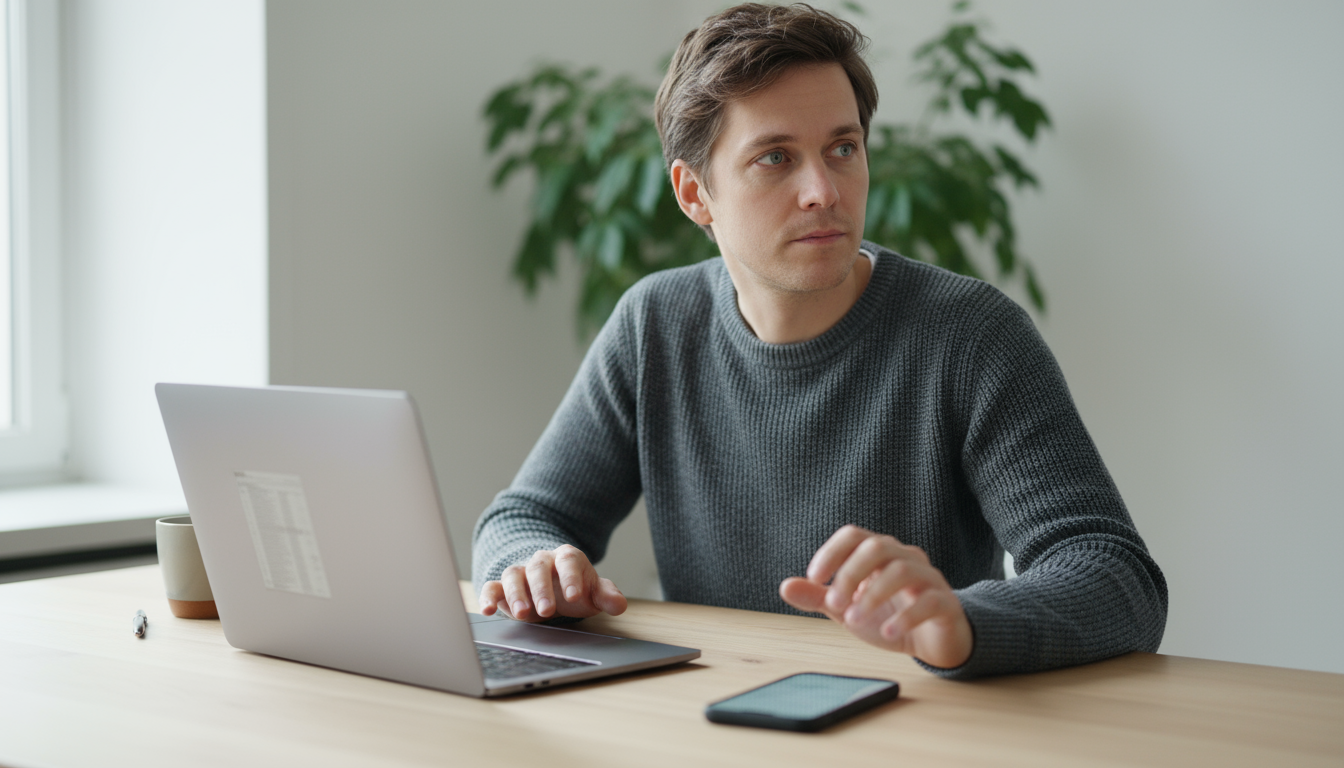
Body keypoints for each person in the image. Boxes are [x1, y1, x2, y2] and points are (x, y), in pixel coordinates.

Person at [472, 3, 1166, 678]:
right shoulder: (653, 323)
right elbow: (525, 517)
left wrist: (961, 622)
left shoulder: (971, 335)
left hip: (916, 725)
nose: (823, 191)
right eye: (775, 158)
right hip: (710, 720)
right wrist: (532, 568)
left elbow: (1115, 575)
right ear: (694, 195)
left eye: (843, 148)